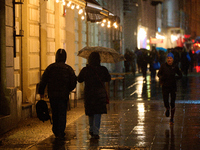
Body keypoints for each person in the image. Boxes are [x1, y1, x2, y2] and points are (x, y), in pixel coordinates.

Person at [38, 49, 77, 139]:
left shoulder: (50, 68)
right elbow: (73, 82)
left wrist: (41, 92)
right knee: (62, 113)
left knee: (55, 112)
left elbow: (43, 80)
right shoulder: (68, 69)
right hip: (63, 95)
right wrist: (68, 89)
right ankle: (61, 131)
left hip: (53, 94)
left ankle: (55, 130)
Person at [77, 52, 111, 139]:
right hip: (99, 94)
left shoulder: (86, 69)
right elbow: (108, 78)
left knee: (91, 112)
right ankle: (95, 131)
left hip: (89, 94)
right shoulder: (103, 69)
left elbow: (79, 79)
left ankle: (92, 129)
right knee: (97, 113)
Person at [157, 52, 182, 125]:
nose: (169, 60)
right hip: (165, 86)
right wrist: (161, 78)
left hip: (173, 86)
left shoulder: (175, 66)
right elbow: (159, 74)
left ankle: (172, 119)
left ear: (173, 59)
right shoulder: (163, 66)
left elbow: (180, 75)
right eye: (168, 58)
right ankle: (167, 108)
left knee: (173, 102)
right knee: (165, 100)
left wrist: (175, 78)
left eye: (170, 58)